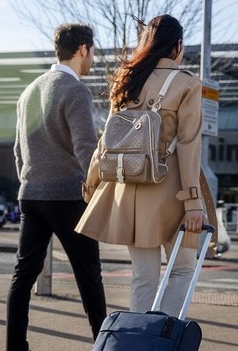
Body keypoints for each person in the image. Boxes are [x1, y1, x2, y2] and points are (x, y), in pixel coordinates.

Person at [77, 14, 210, 321]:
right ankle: (160, 338)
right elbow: (189, 145)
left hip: (128, 190)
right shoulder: (187, 84)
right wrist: (193, 203)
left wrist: (92, 183)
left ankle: (138, 344)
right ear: (177, 46)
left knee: (143, 277)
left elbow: (106, 140)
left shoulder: (126, 79)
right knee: (182, 270)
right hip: (172, 190)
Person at [4, 23, 107, 351]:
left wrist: (30, 182)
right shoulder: (75, 90)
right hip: (68, 196)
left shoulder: (29, 92)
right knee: (88, 276)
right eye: (93, 51)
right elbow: (86, 148)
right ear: (82, 49)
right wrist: (95, 189)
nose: (94, 58)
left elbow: (18, 150)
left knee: (24, 274)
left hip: (31, 194)